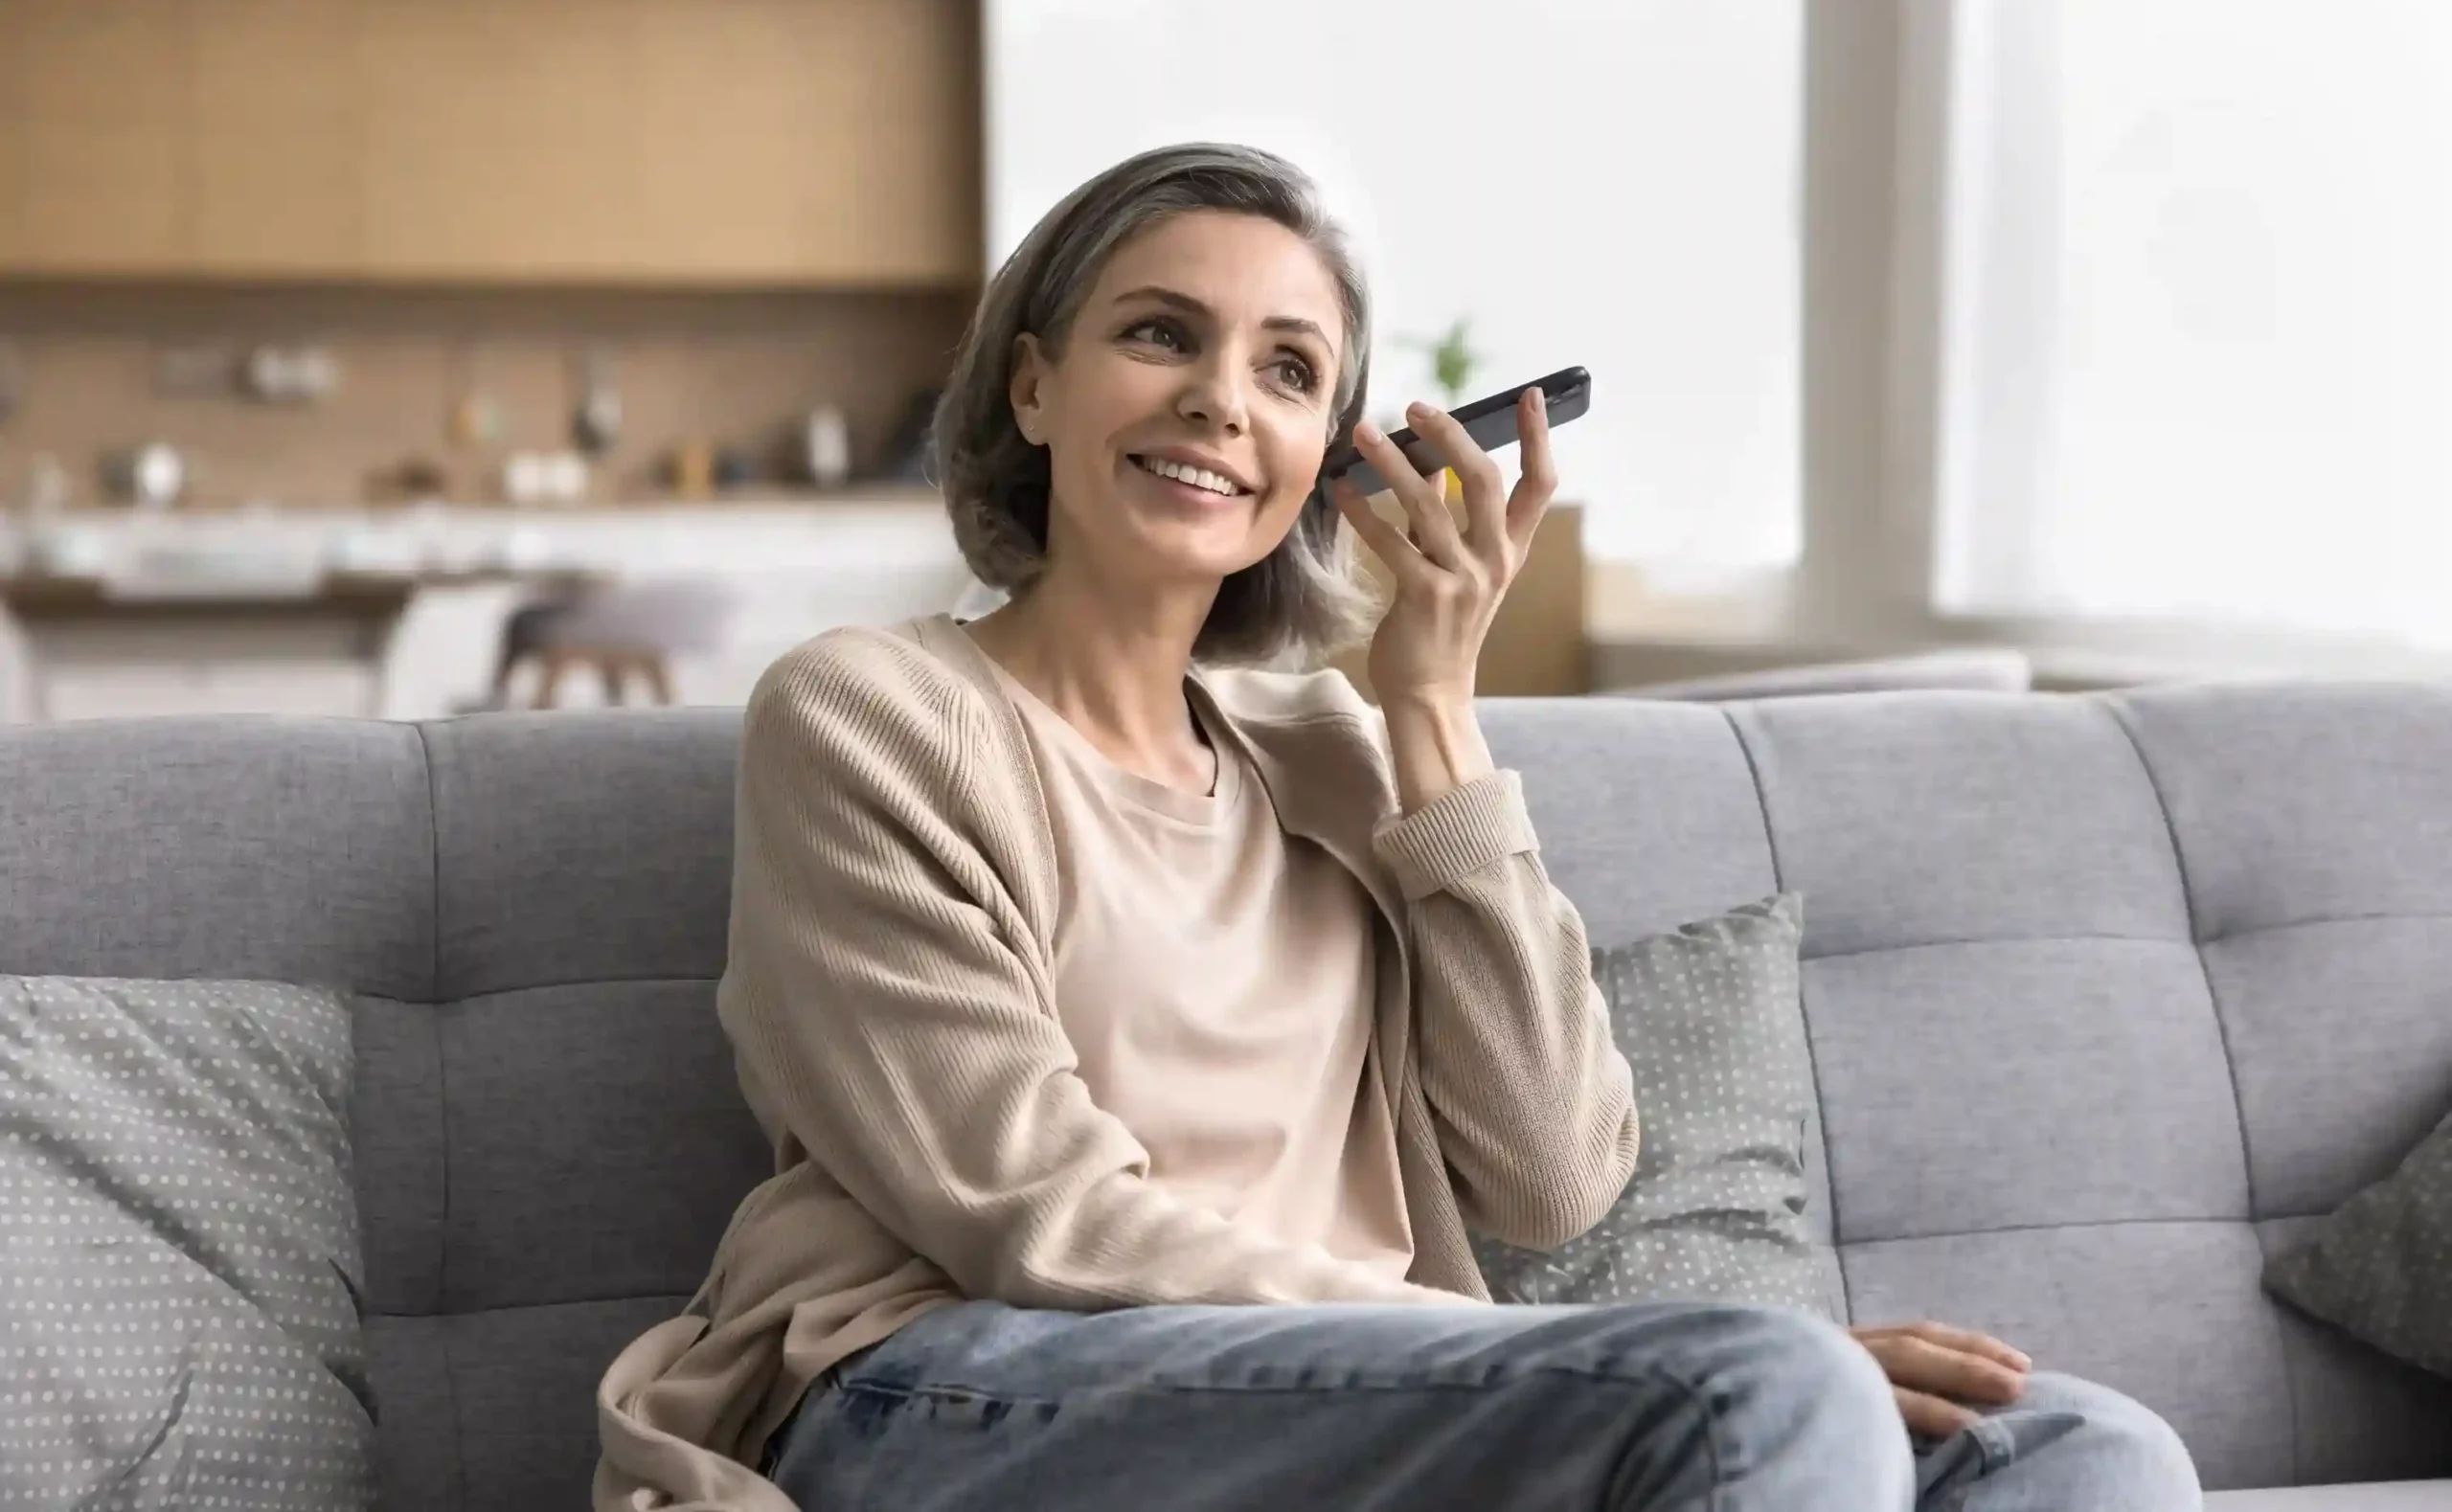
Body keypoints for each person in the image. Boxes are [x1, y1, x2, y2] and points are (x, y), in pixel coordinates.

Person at [595, 143, 2202, 1512]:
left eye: (1290, 370)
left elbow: (1553, 1177)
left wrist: (1430, 713)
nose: (1220, 399)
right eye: (1161, 334)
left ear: (1325, 461)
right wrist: (1573, 1361)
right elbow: (1040, 1218)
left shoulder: (1331, 752)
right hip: (961, 1384)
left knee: (2082, 1450)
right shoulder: (872, 712)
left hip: (1358, 1391)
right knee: (1767, 1387)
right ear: (1034, 382)